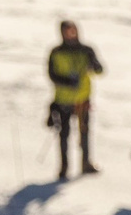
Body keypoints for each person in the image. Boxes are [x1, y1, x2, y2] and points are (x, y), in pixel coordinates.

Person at [45, 19, 105, 179]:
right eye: (67, 30)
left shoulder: (86, 50)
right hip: (63, 100)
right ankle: (64, 167)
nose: (70, 33)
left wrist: (95, 65)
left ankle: (86, 163)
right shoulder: (56, 52)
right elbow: (51, 74)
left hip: (82, 100)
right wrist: (67, 82)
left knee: (84, 133)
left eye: (73, 30)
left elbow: (100, 70)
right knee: (63, 135)